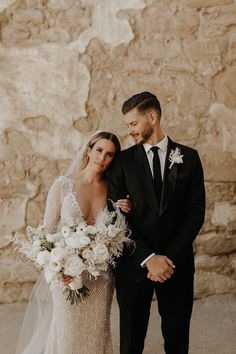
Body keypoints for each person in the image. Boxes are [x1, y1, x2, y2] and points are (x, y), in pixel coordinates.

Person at [107, 92, 205, 354]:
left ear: (152, 117)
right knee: (131, 343)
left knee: (176, 339)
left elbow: (195, 214)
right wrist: (149, 257)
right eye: (127, 125)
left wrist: (167, 259)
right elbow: (114, 216)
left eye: (133, 124)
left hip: (176, 266)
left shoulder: (190, 158)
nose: (129, 131)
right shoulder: (122, 162)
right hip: (134, 265)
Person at [16, 131, 131, 354]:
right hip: (67, 277)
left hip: (100, 277)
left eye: (109, 155)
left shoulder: (113, 188)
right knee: (67, 336)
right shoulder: (63, 185)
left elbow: (119, 231)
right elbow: (47, 232)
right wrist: (60, 270)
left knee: (97, 335)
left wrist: (127, 209)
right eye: (99, 150)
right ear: (89, 150)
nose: (102, 158)